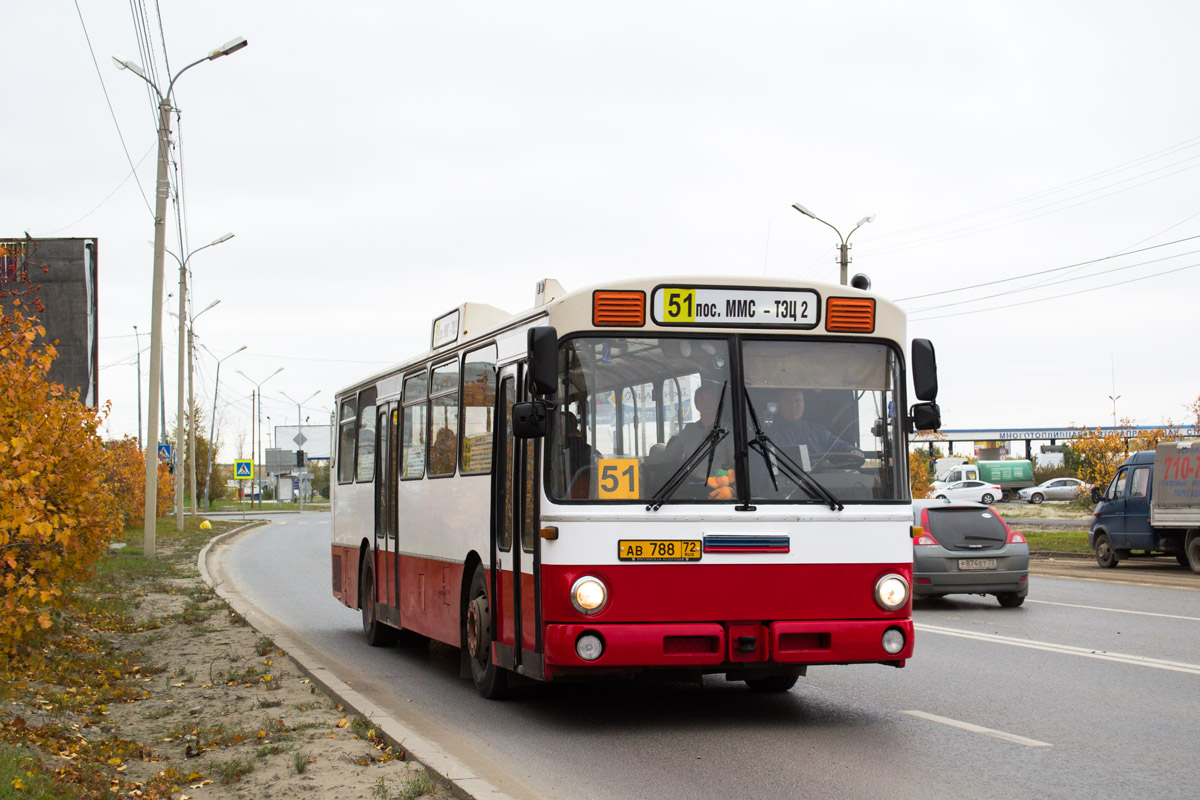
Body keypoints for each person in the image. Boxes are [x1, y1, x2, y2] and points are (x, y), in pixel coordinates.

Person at [772, 389, 862, 463]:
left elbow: (838, 445)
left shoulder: (818, 431)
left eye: (797, 401)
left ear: (804, 406)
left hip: (822, 483)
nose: (793, 406)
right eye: (788, 401)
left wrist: (853, 451)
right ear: (780, 406)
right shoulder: (770, 435)